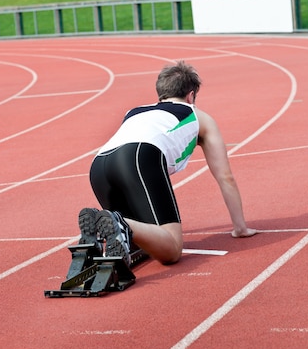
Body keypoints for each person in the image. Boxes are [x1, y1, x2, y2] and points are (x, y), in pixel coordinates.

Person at [78, 60, 257, 266]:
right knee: (171, 249)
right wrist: (240, 228)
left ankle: (107, 220)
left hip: (99, 165)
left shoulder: (135, 111)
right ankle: (118, 221)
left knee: (138, 240)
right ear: (191, 95)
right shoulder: (198, 116)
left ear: (161, 93)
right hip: (138, 157)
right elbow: (225, 176)